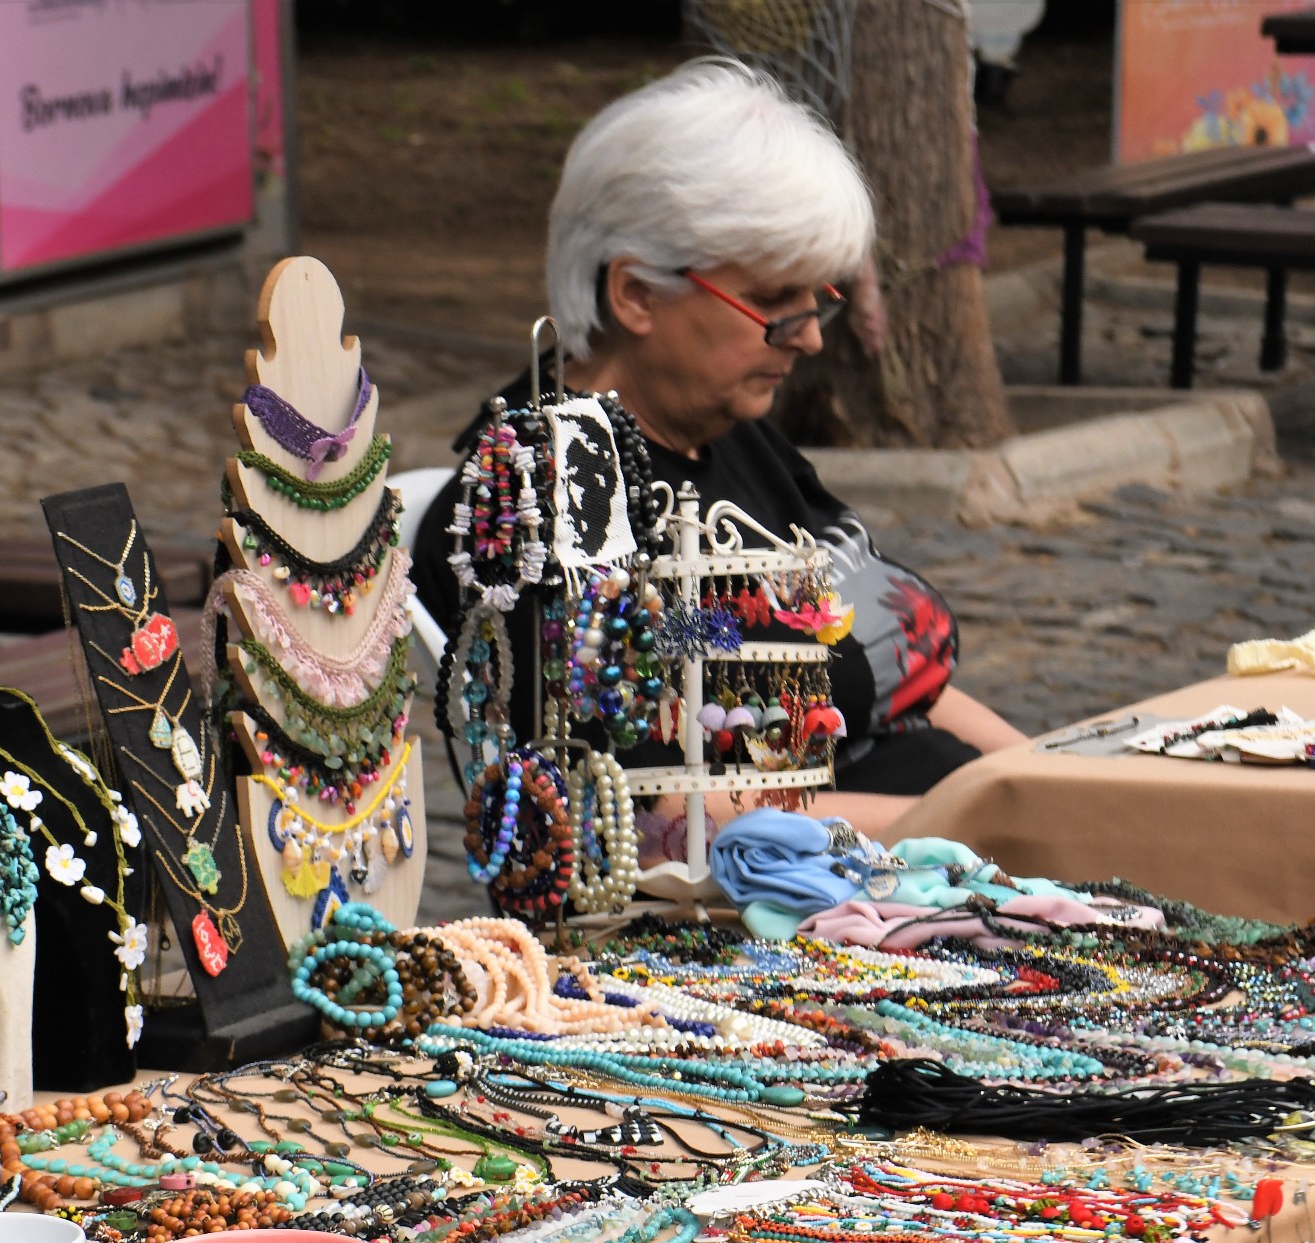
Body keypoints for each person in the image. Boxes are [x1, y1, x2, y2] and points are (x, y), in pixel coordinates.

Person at [410, 59, 1026, 836]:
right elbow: (662, 818)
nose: (805, 338)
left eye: (818, 300)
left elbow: (902, 678)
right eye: (771, 302)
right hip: (792, 903)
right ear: (635, 293)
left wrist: (1049, 785)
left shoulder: (727, 432)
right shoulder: (550, 487)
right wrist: (979, 821)